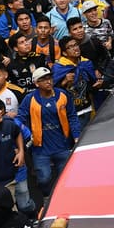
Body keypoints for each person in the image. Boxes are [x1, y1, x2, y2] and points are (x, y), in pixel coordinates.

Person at [20, 66, 80, 203]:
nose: (48, 81)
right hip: (41, 148)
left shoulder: (63, 95)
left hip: (62, 145)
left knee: (65, 177)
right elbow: (20, 118)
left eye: (49, 78)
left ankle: (65, 201)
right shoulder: (30, 99)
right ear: (36, 83)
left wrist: (76, 135)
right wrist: (27, 134)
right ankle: (47, 198)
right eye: (43, 79)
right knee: (44, 178)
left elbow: (72, 116)